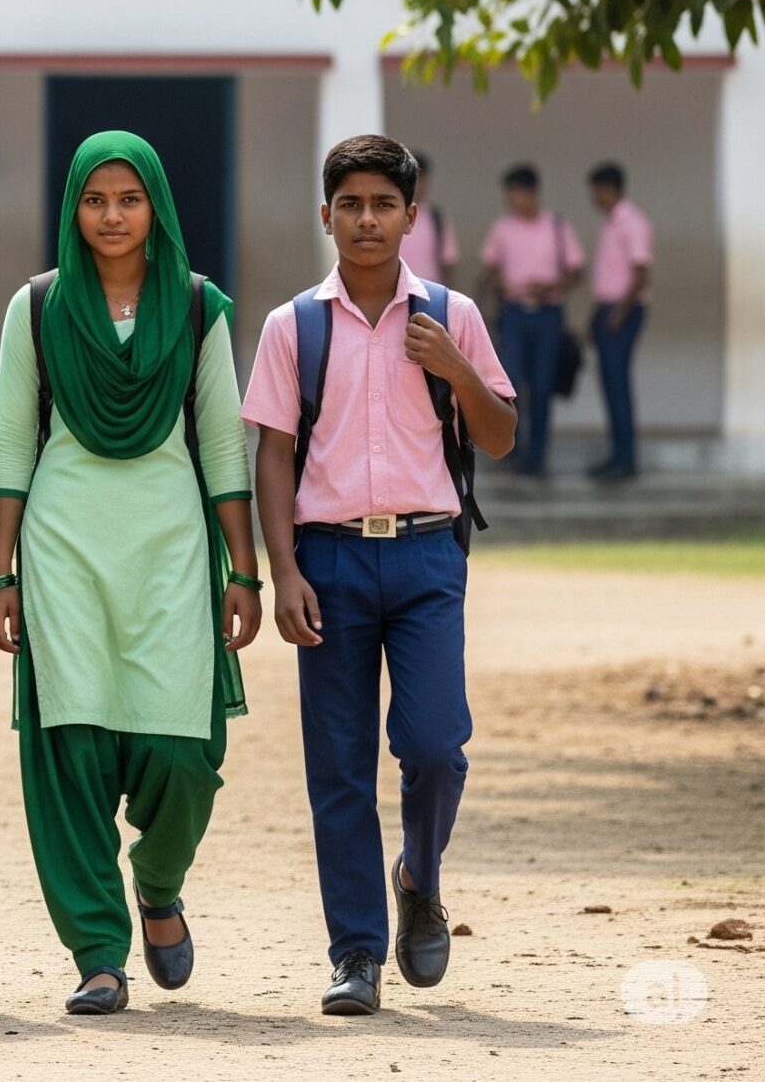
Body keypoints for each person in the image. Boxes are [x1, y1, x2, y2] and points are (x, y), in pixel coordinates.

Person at [0, 131, 260, 1016]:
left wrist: (242, 568)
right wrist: (0, 574)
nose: (110, 216)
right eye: (95, 200)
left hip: (172, 546)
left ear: (156, 209)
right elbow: (11, 442)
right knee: (72, 746)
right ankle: (97, 953)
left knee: (182, 751)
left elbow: (220, 438)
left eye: (128, 199)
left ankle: (158, 879)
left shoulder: (199, 306)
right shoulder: (37, 307)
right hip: (62, 545)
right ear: (73, 208)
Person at [243, 135, 515, 1016]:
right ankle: (356, 950)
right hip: (327, 558)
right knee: (340, 763)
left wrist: (457, 368)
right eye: (350, 204)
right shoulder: (294, 326)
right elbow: (275, 454)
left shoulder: (452, 314)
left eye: (384, 205)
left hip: (429, 553)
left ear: (411, 215)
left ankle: (420, 875)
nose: (367, 220)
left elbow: (502, 433)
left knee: (435, 745)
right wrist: (282, 570)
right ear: (326, 215)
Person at [478, 163, 582, 477]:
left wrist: (553, 286)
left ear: (532, 193)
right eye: (509, 196)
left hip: (548, 313)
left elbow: (577, 269)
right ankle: (512, 451)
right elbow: (491, 268)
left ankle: (537, 457)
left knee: (542, 385)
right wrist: (487, 297)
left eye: (517, 194)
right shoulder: (502, 228)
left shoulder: (557, 227)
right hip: (513, 313)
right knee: (510, 386)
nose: (513, 201)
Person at [586, 162, 652, 481]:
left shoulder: (632, 222)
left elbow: (640, 275)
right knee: (611, 385)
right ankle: (617, 456)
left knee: (618, 384)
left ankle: (626, 460)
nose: (593, 197)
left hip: (623, 311)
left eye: (596, 190)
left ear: (607, 189)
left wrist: (617, 315)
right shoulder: (612, 222)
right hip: (609, 309)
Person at [400, 151, 459, 289]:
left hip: (429, 294)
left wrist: (447, 299)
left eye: (419, 180)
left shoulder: (436, 217)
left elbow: (448, 262)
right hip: (393, 293)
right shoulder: (388, 216)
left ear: (426, 181)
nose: (414, 186)